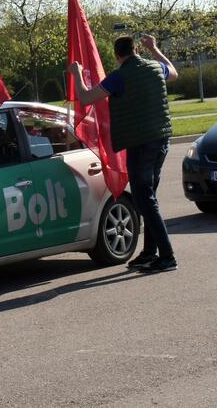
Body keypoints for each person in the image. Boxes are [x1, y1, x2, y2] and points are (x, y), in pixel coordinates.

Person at [69, 34, 179, 273]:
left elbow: (86, 97)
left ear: (118, 55)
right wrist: (155, 48)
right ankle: (150, 253)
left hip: (140, 144)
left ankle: (167, 256)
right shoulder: (155, 67)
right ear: (136, 49)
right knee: (149, 198)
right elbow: (174, 72)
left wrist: (76, 73)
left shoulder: (119, 77)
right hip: (161, 140)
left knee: (144, 199)